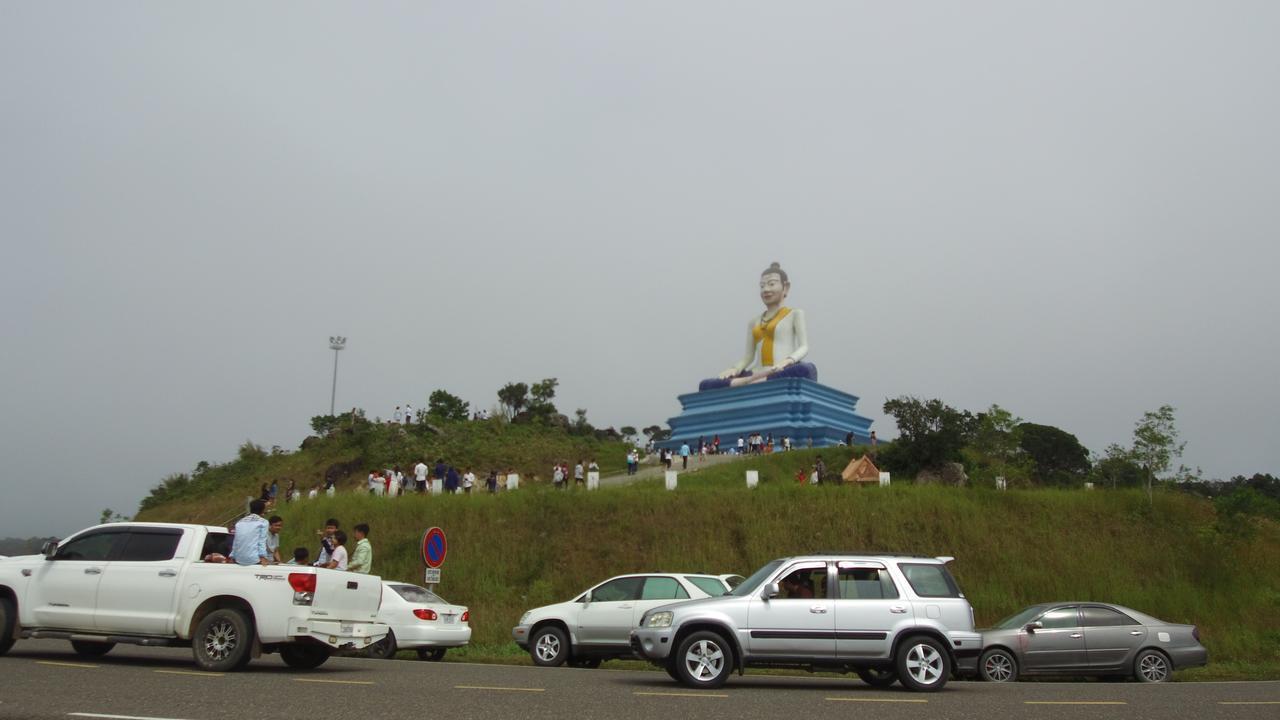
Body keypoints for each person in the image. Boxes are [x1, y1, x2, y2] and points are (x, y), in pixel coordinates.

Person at [699, 262, 816, 390]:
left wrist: (787, 361)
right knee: (706, 385)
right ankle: (753, 380)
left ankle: (749, 382)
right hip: (756, 372)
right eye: (762, 286)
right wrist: (735, 368)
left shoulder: (794, 314)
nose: (766, 289)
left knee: (805, 369)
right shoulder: (754, 322)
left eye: (771, 284)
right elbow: (749, 356)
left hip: (781, 369)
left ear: (785, 287)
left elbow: (804, 346)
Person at [230, 500, 271, 566]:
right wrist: (263, 557)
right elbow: (261, 541)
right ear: (263, 510)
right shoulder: (263, 522)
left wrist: (232, 556)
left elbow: (236, 542)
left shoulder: (239, 522)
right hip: (253, 559)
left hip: (238, 559)